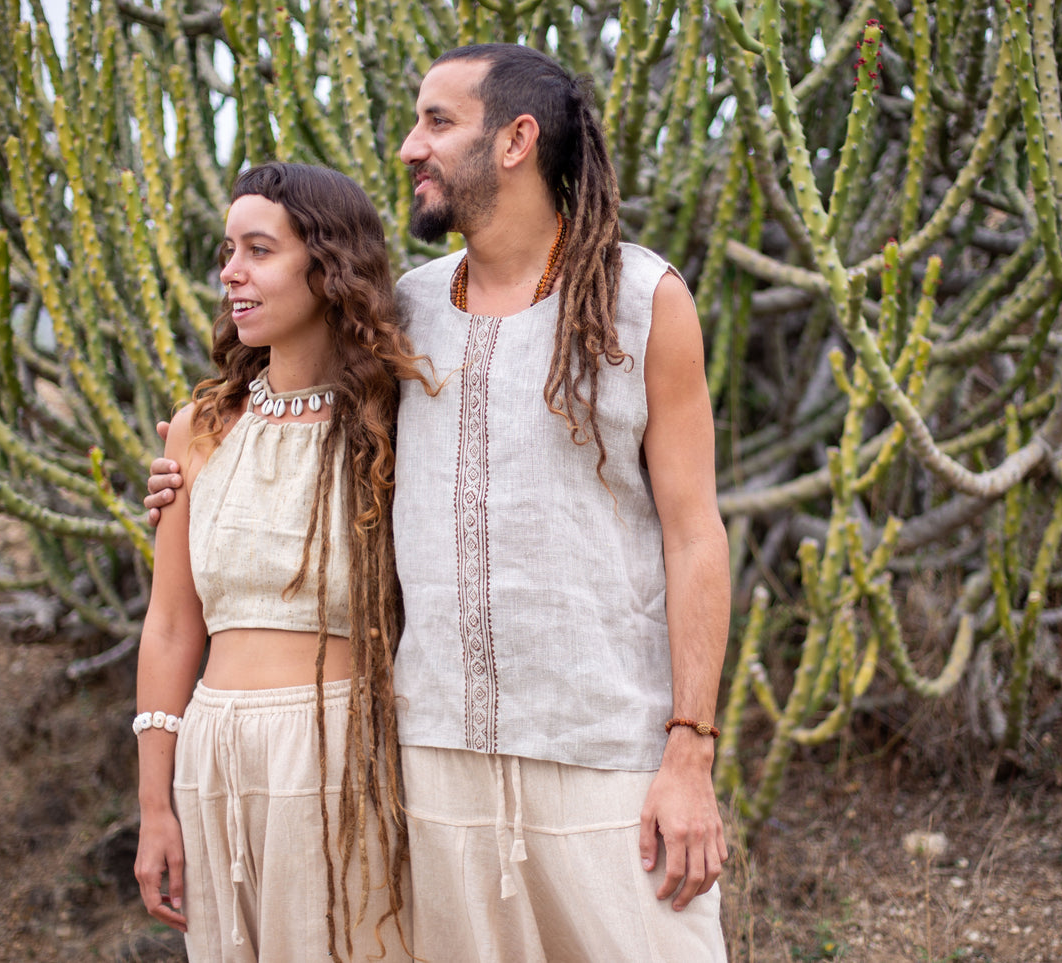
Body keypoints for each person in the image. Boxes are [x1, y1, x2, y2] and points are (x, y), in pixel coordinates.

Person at [149, 46, 730, 961]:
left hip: (602, 751)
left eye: (437, 122)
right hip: (432, 767)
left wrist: (689, 750)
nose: (410, 147)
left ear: (515, 140)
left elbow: (695, 535)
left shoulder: (640, 302)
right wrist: (190, 479)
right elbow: (295, 412)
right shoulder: (405, 316)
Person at [134, 162, 422, 962]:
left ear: (328, 266)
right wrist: (155, 805)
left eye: (259, 250)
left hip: (339, 751)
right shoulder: (199, 428)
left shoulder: (395, 425)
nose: (232, 272)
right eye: (228, 251)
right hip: (211, 753)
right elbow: (169, 626)